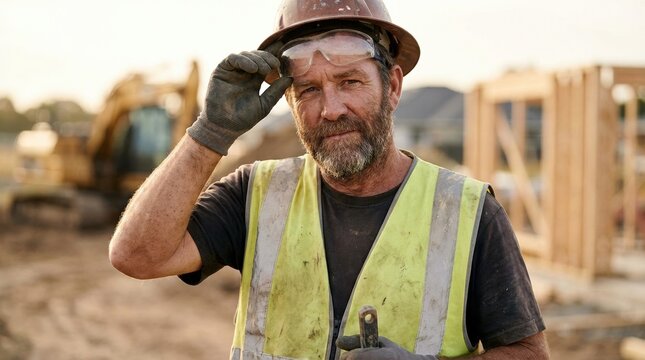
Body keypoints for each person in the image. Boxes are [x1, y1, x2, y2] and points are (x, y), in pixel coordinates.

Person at [109, 0, 549, 359]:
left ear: (393, 87)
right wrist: (211, 133)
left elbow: (528, 353)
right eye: (310, 91)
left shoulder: (466, 212)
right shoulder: (256, 194)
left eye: (350, 81)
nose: (331, 108)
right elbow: (136, 255)